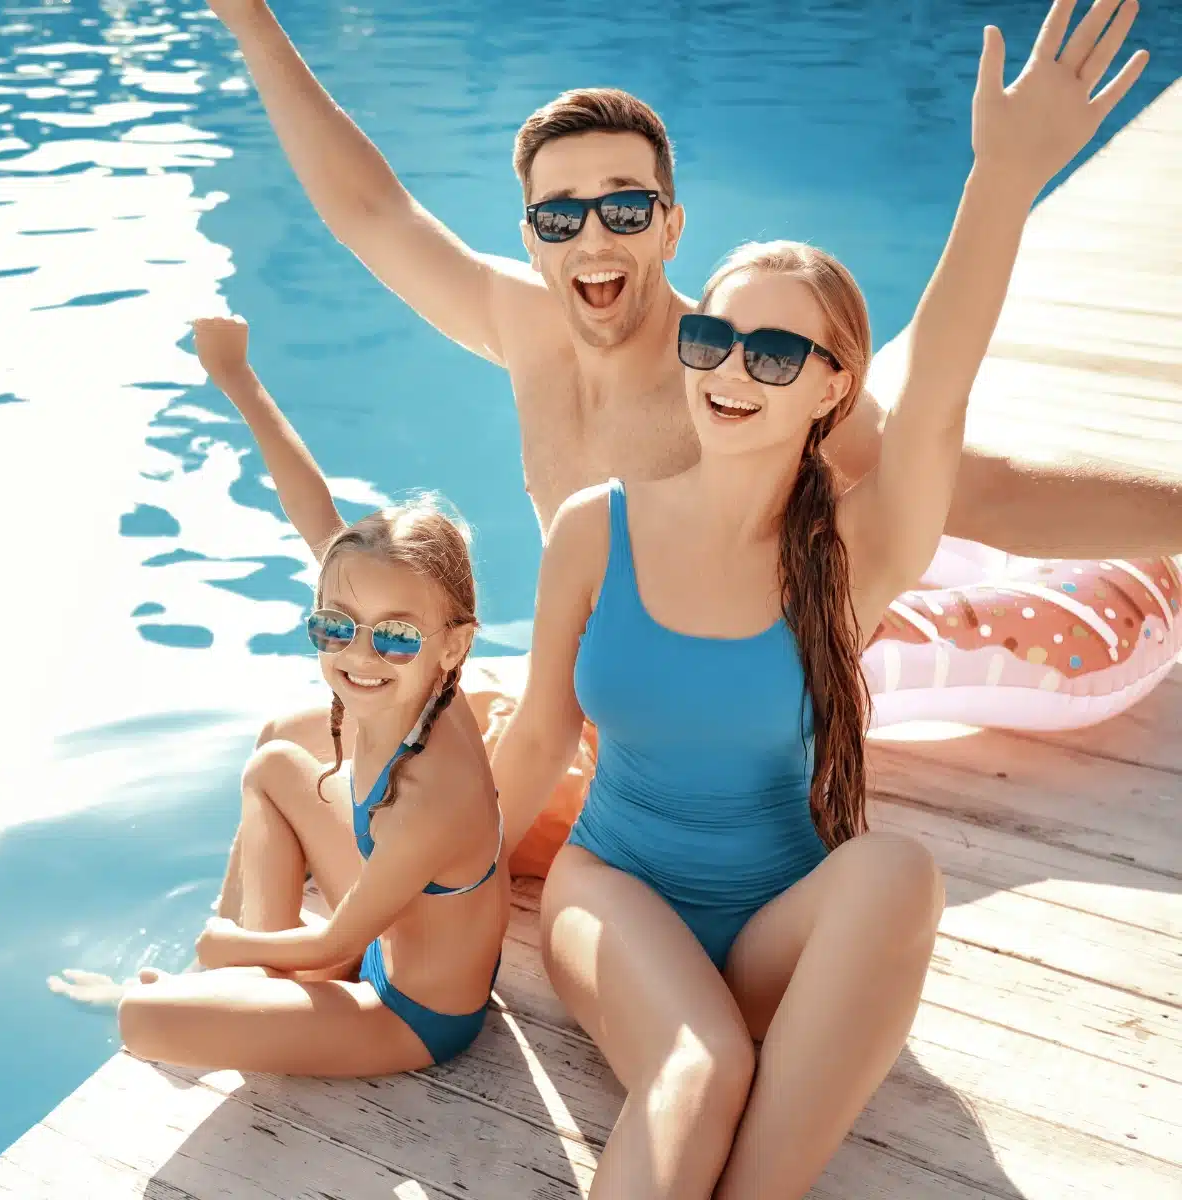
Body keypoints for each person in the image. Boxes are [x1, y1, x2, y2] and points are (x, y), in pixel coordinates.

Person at [204, 0, 1182, 888]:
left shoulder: (738, 386)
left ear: (671, 227)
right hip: (616, 689)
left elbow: (980, 494)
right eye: (561, 215)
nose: (594, 239)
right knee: (296, 744)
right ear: (534, 235)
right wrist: (248, 18)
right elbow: (372, 212)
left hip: (734, 710)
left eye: (625, 209)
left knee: (402, 825)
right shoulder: (527, 326)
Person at [487, 3, 1147, 1196]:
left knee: (897, 874)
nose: (735, 369)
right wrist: (420, 896)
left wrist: (1002, 178)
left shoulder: (849, 560)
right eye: (715, 338)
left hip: (771, 928)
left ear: (832, 391)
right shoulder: (599, 528)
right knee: (699, 1069)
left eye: (778, 355)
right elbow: (536, 737)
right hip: (613, 895)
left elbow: (939, 391)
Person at [48, 314, 509, 1076]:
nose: (360, 656)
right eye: (337, 626)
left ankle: (247, 981)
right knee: (272, 765)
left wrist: (225, 946)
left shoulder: (434, 795)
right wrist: (235, 377)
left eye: (394, 637)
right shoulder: (426, 685)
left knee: (141, 1018)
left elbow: (336, 942)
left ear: (452, 645)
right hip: (386, 943)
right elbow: (313, 509)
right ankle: (255, 985)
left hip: (414, 1017)